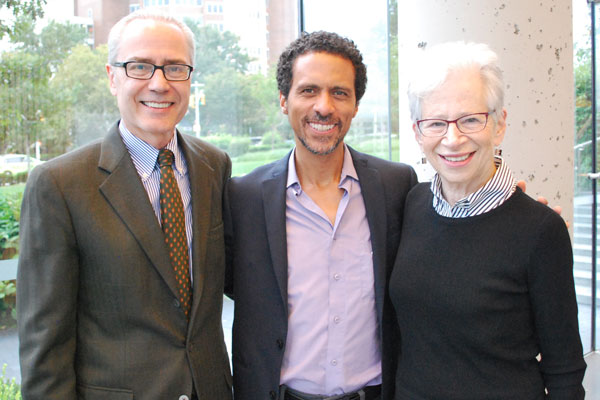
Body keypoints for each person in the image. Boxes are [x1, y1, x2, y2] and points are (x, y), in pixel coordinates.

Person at [17, 10, 232, 400]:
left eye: (175, 68)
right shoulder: (60, 184)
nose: (159, 83)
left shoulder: (214, 166)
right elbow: (45, 343)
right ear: (112, 77)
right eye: (140, 67)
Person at [225, 31, 418, 400]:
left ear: (356, 105)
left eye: (339, 92)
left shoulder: (396, 186)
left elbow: (438, 249)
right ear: (284, 100)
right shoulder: (243, 198)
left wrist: (504, 211)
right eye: (309, 90)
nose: (324, 107)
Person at [390, 41, 586, 399]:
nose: (452, 139)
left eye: (470, 119)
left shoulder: (540, 230)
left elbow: (565, 369)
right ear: (418, 133)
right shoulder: (413, 204)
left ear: (498, 125)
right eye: (435, 123)